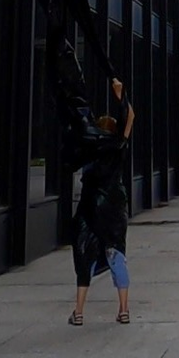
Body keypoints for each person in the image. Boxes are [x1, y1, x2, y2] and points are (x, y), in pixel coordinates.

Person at [68, 76, 135, 326]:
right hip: (115, 206)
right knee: (116, 252)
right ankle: (124, 309)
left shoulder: (90, 149)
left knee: (85, 254)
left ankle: (79, 311)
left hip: (90, 205)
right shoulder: (118, 146)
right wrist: (120, 94)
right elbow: (130, 117)